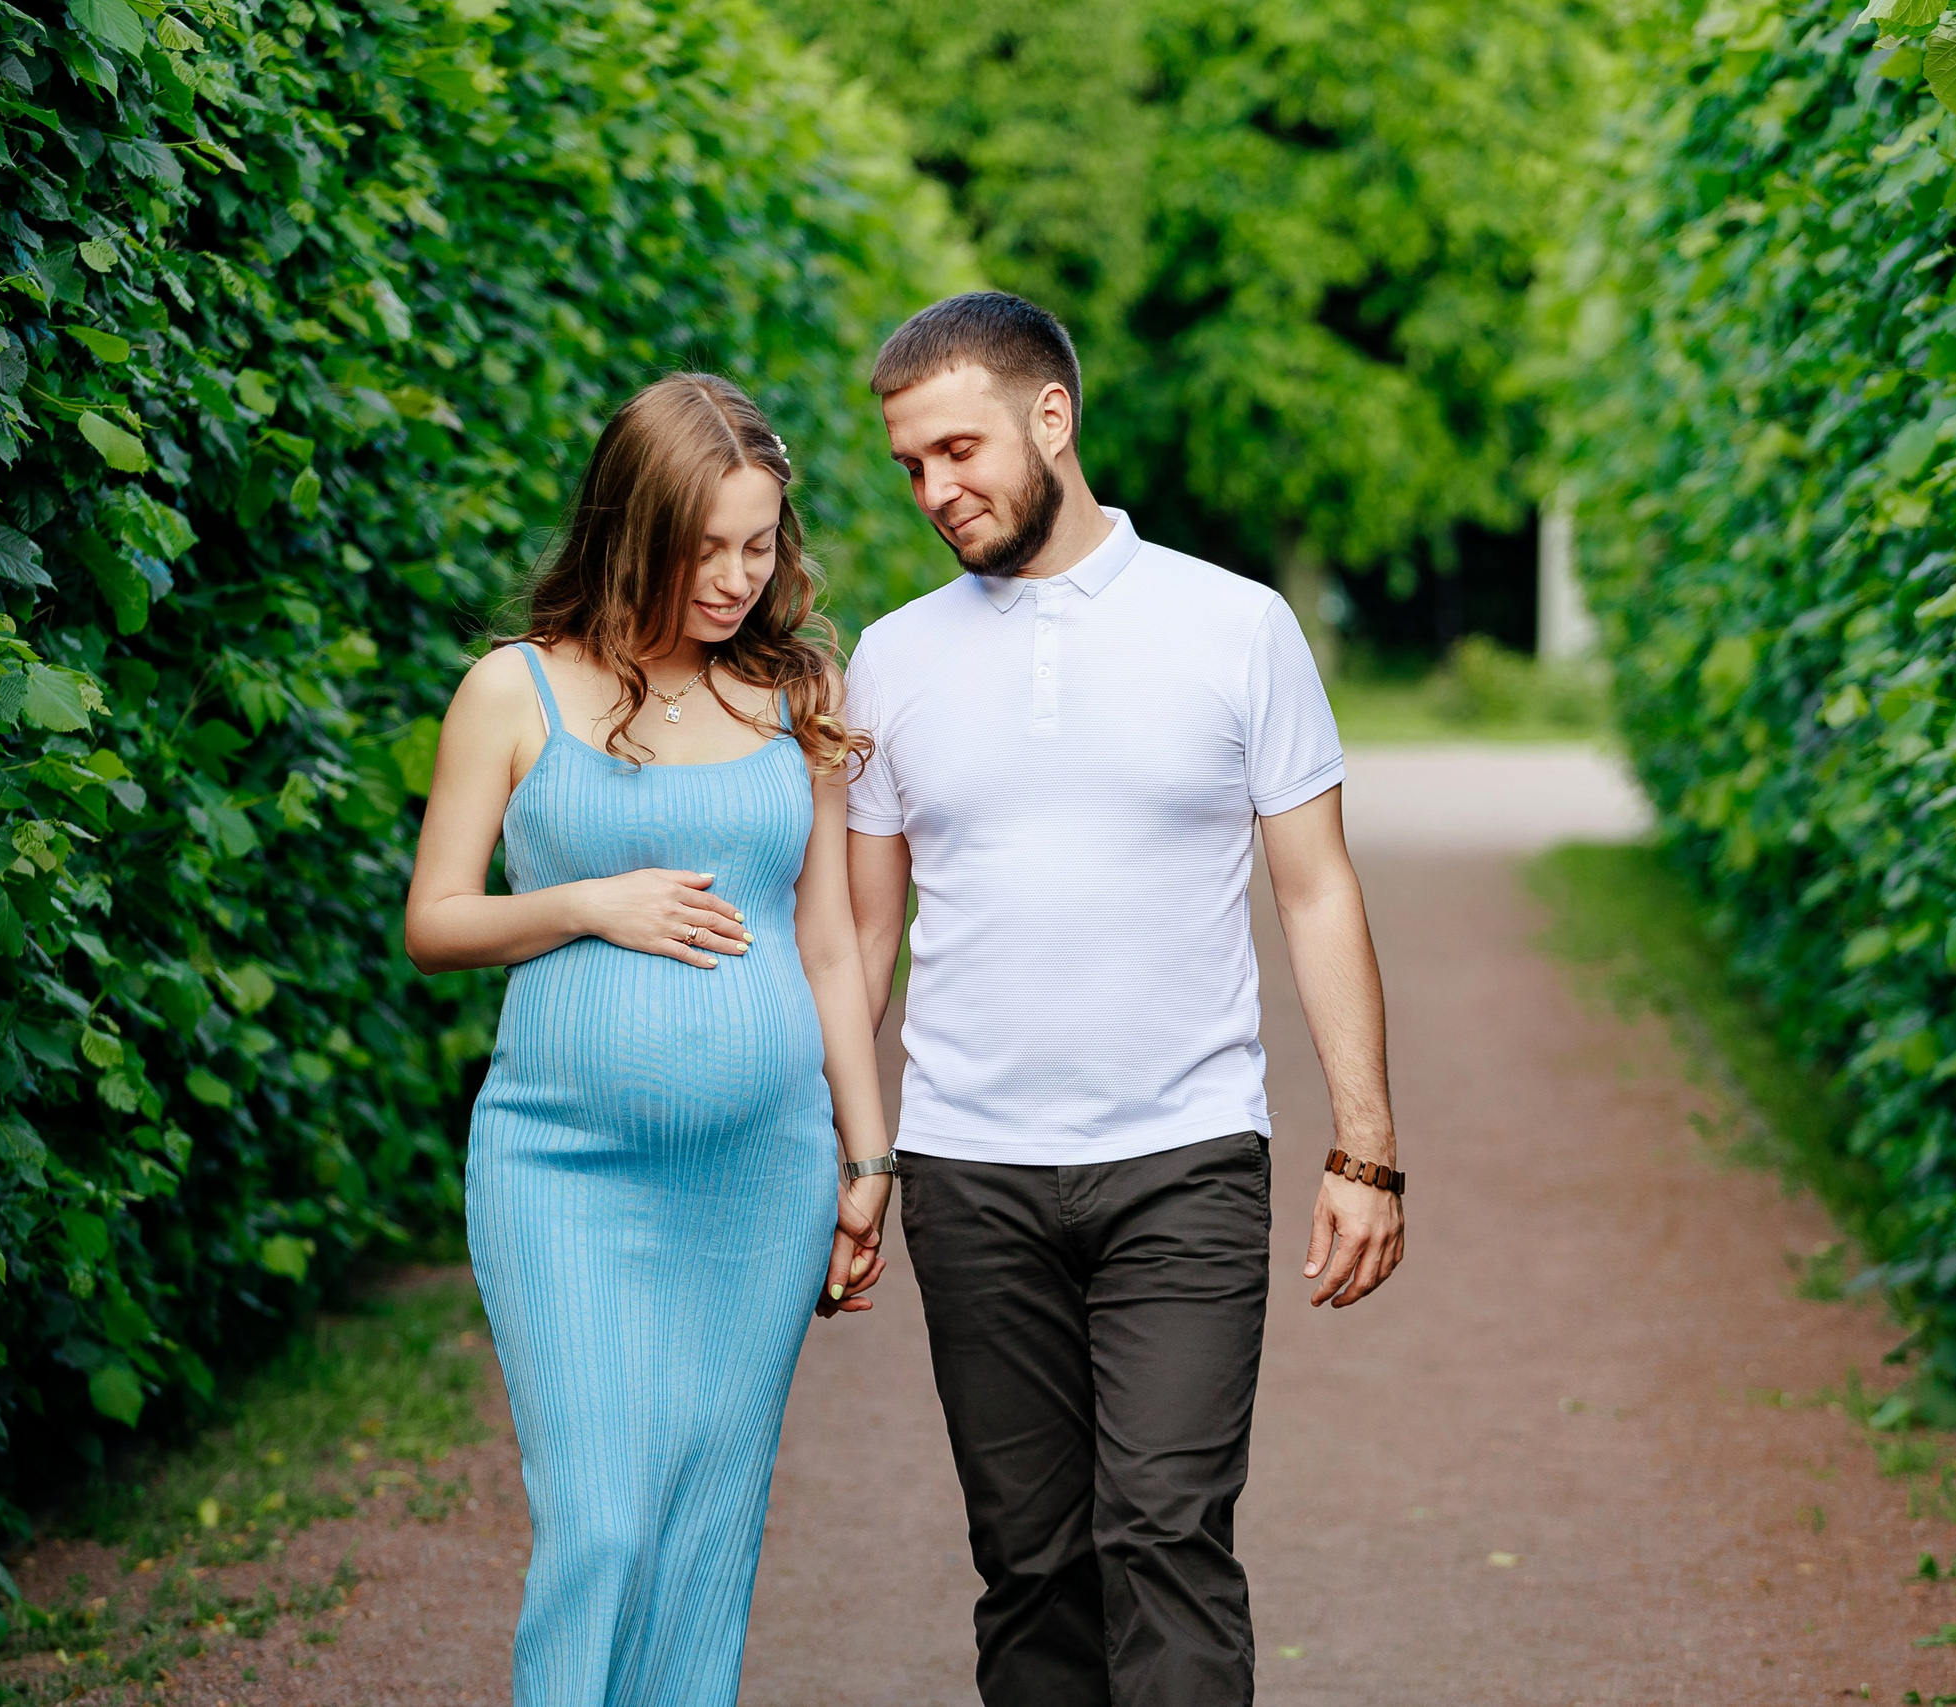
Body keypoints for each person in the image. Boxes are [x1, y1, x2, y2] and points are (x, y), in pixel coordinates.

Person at [845, 292, 1407, 1707]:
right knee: (1029, 1567)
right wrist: (849, 1155)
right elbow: (861, 943)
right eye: (911, 466)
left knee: (1165, 1538)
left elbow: (1319, 892)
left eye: (958, 451)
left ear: (1054, 418)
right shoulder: (892, 659)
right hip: (970, 1172)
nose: (936, 490)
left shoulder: (1238, 626)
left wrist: (1365, 1150)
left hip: (1187, 1161)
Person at [402, 373, 896, 1707]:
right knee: (602, 1522)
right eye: (706, 549)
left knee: (704, 1538)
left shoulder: (801, 694)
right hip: (562, 1169)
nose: (738, 578)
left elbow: (833, 945)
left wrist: (868, 1162)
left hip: (761, 1178)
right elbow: (435, 922)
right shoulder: (512, 694)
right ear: (631, 532)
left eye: (761, 543)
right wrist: (583, 904)